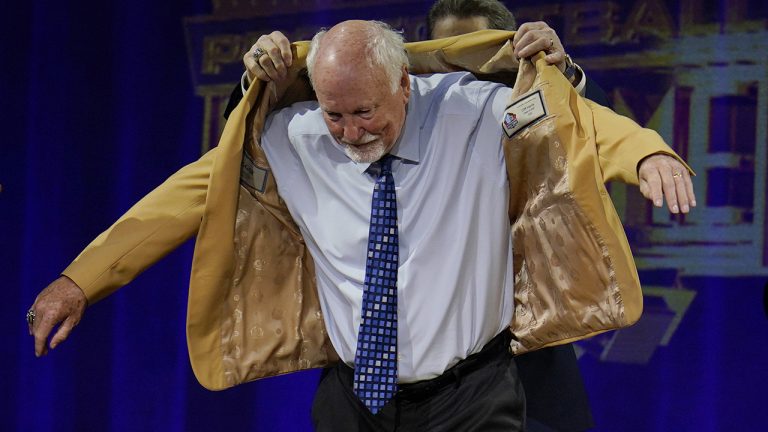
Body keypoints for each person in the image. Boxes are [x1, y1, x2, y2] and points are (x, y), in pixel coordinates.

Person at [27, 20, 695, 431]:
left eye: (366, 112)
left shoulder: (474, 112)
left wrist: (648, 152)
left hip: (473, 397)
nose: (350, 133)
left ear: (404, 82)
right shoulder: (293, 135)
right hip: (355, 402)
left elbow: (580, 126)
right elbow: (183, 196)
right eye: (335, 114)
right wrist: (80, 282)